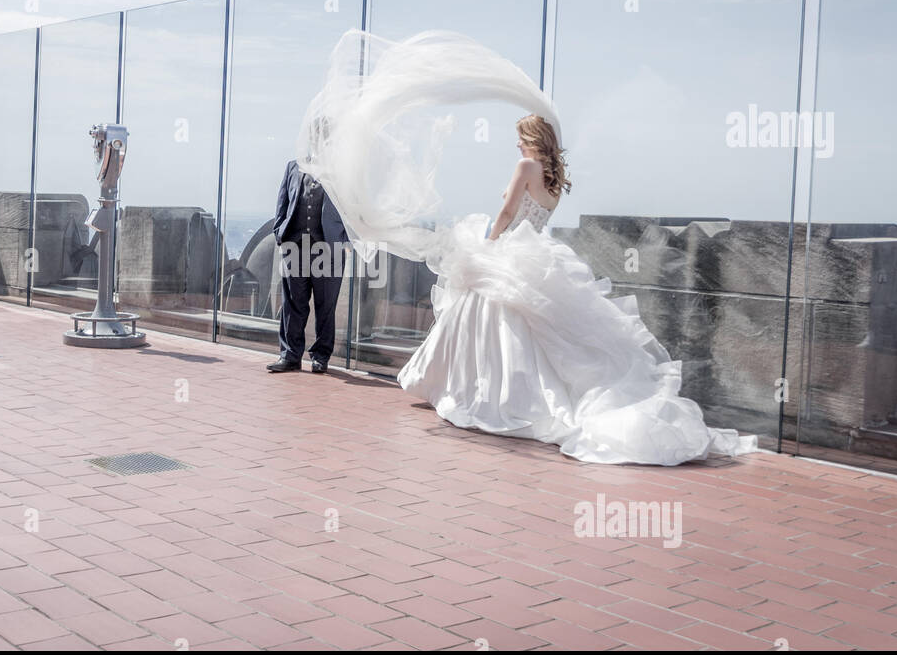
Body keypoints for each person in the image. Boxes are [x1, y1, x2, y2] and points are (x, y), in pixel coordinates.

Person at [397, 115, 757, 465]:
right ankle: (490, 391)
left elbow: (507, 213)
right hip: (536, 250)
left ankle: (484, 394)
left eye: (521, 137)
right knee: (528, 329)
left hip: (512, 248)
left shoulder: (526, 167)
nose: (517, 143)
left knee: (491, 317)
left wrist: (488, 244)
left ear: (533, 140)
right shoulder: (555, 179)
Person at [267, 120, 349, 374]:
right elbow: (283, 203)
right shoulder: (294, 166)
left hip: (328, 249)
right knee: (293, 304)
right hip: (295, 246)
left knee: (326, 306)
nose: (321, 140)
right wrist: (280, 233)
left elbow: (353, 210)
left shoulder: (342, 171)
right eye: (317, 135)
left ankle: (321, 357)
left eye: (326, 135)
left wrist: (343, 239)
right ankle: (290, 355)